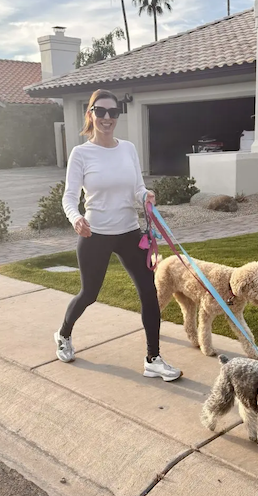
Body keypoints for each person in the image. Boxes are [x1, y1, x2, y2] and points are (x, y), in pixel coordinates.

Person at [54, 89, 182, 382]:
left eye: (113, 112)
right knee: (89, 293)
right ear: (91, 114)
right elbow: (69, 197)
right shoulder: (81, 153)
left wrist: (145, 194)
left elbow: (137, 187)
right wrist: (76, 220)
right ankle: (63, 334)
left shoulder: (128, 149)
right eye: (101, 112)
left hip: (129, 233)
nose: (108, 117)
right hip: (95, 234)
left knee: (149, 293)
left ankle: (153, 359)